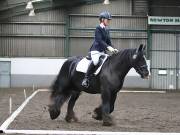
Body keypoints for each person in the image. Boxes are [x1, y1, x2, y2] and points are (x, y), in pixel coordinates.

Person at [82, 11, 119, 88]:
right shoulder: (98, 28)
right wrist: (108, 47)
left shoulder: (107, 30)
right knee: (95, 62)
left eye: (109, 20)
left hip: (102, 51)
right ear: (102, 19)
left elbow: (108, 42)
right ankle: (86, 78)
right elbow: (99, 40)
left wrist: (114, 48)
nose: (109, 21)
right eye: (107, 19)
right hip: (95, 50)